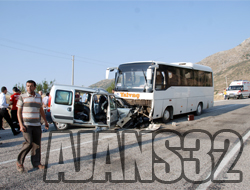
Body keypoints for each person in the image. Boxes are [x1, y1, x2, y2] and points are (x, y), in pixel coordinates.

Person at [16, 80, 49, 172]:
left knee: (37, 145)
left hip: (37, 124)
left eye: (31, 86)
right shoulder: (22, 97)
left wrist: (45, 121)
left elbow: (41, 109)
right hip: (27, 124)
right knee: (29, 142)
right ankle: (19, 162)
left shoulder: (39, 97)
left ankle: (36, 163)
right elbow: (18, 112)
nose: (29, 88)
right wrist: (21, 124)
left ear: (35, 87)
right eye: (27, 86)